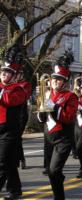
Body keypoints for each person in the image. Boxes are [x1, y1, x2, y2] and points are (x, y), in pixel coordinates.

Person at [37, 51, 78, 199]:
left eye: (59, 79)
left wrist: (53, 107)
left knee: (54, 171)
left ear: (65, 81)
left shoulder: (71, 96)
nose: (55, 81)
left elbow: (68, 118)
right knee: (51, 171)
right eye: (54, 78)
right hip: (48, 137)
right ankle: (58, 185)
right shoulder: (47, 94)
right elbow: (42, 119)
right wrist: (41, 111)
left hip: (63, 139)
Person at [0, 45, 32, 199]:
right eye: (3, 72)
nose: (4, 75)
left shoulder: (18, 88)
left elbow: (10, 100)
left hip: (10, 130)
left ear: (14, 75)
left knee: (2, 161)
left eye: (8, 73)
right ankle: (15, 190)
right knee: (10, 162)